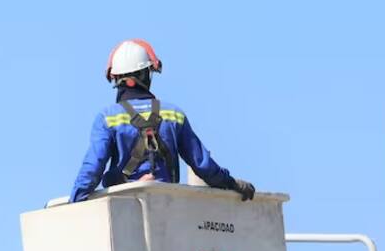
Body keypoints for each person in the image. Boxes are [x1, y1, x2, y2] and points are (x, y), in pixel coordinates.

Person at [69, 39, 255, 203]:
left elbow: (92, 170)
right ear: (147, 74)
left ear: (116, 79)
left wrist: (75, 203)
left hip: (124, 208)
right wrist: (230, 183)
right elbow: (203, 165)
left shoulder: (107, 117)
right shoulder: (174, 114)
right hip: (168, 207)